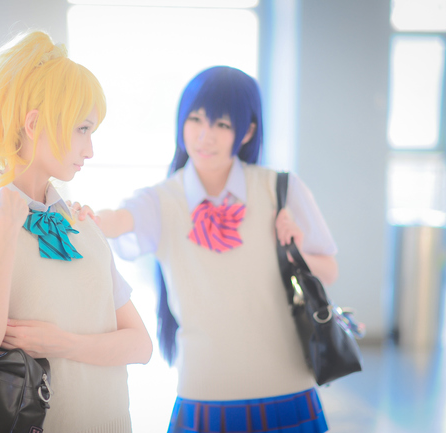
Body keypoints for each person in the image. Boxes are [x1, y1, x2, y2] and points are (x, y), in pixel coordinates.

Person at [77, 66, 337, 432]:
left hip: (287, 384)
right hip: (204, 389)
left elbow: (329, 269)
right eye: (196, 119)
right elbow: (120, 219)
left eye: (222, 124)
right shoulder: (163, 199)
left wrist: (293, 251)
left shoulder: (279, 188)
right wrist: (91, 219)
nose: (205, 135)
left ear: (247, 131)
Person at [0, 30, 152, 433]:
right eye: (82, 129)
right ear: (34, 124)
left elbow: (141, 345)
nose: (90, 150)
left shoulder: (80, 224)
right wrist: (6, 230)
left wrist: (63, 344)